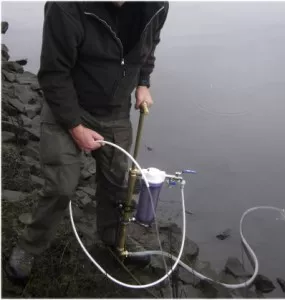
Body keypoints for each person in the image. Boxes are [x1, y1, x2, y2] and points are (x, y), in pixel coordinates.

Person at [7, 1, 169, 282]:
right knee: (61, 186)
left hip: (115, 110)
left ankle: (112, 240)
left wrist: (144, 82)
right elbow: (53, 74)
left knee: (118, 183)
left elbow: (150, 44)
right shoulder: (65, 7)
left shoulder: (156, 5)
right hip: (68, 106)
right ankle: (29, 247)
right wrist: (75, 127)